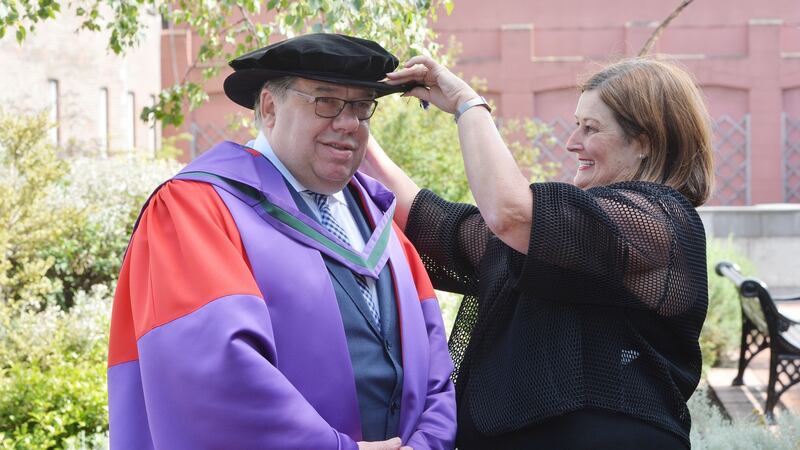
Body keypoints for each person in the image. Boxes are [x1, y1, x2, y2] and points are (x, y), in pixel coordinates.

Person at [106, 34, 456, 450]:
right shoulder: (195, 210)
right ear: (270, 107)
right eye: (326, 102)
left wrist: (427, 443)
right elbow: (212, 372)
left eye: (362, 107)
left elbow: (435, 361)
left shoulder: (378, 218)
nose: (348, 123)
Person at [362, 55, 713, 449]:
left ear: (644, 142)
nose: (571, 142)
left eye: (590, 128)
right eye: (577, 124)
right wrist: (354, 128)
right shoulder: (573, 239)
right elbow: (441, 227)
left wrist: (467, 104)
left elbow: (509, 214)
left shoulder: (659, 222)